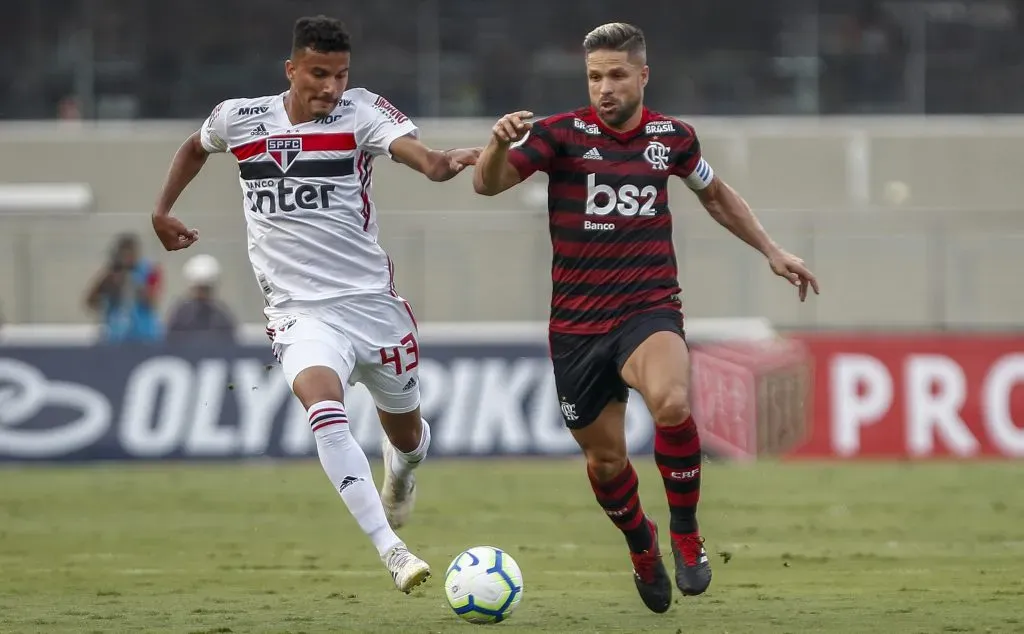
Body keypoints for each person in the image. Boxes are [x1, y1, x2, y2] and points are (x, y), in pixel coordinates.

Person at [472, 22, 819, 613]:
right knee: (605, 461)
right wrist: (499, 143)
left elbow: (715, 193)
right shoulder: (558, 135)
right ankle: (642, 544)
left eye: (615, 75)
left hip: (648, 308)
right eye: (594, 77)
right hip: (577, 327)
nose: (603, 87)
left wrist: (771, 250)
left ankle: (686, 536)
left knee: (673, 404)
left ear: (642, 75)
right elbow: (488, 184)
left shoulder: (672, 138)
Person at [150, 15, 480, 593]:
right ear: (292, 70)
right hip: (299, 312)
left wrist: (447, 160)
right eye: (319, 74)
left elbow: (423, 160)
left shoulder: (362, 113)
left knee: (406, 436)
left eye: (340, 75)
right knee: (325, 411)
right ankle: (393, 551)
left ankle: (401, 472)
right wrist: (163, 209)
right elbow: (195, 146)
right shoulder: (241, 118)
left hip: (372, 306)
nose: (330, 87)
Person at [84, 233, 164, 344]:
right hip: (115, 335)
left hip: (145, 334)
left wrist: (134, 282)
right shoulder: (111, 273)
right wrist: (108, 281)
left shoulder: (149, 270)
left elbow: (152, 301)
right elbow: (90, 302)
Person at [165, 254, 237, 343]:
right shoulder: (181, 315)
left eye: (206, 289)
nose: (202, 294)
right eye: (199, 289)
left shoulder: (221, 317)